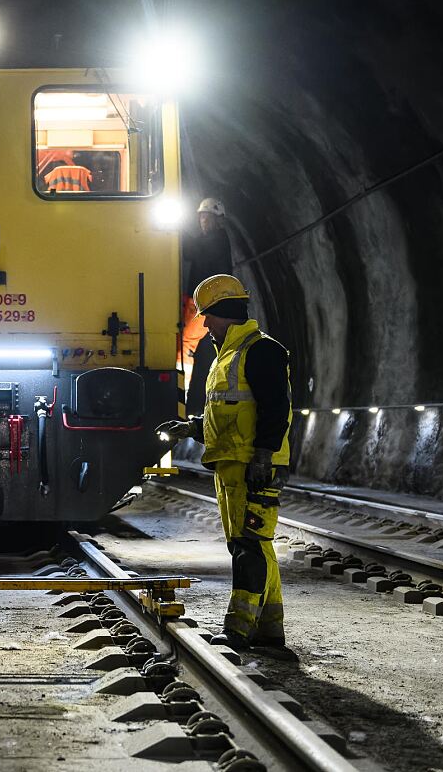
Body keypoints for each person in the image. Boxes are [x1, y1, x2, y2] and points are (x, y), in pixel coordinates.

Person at [158, 274, 295, 661]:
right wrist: (193, 427)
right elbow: (230, 414)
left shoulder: (261, 350)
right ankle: (269, 630)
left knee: (247, 545)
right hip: (232, 463)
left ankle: (237, 629)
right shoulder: (228, 355)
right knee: (253, 543)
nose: (204, 325)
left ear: (225, 313)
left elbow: (276, 409)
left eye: (208, 316)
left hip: (252, 465)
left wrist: (264, 456)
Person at [181, 198, 235, 415]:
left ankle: (180, 393)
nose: (203, 221)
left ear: (217, 221)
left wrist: (177, 229)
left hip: (205, 303)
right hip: (200, 301)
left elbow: (192, 250)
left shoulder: (217, 240)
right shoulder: (212, 240)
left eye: (207, 218)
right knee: (186, 343)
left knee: (186, 343)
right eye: (201, 217)